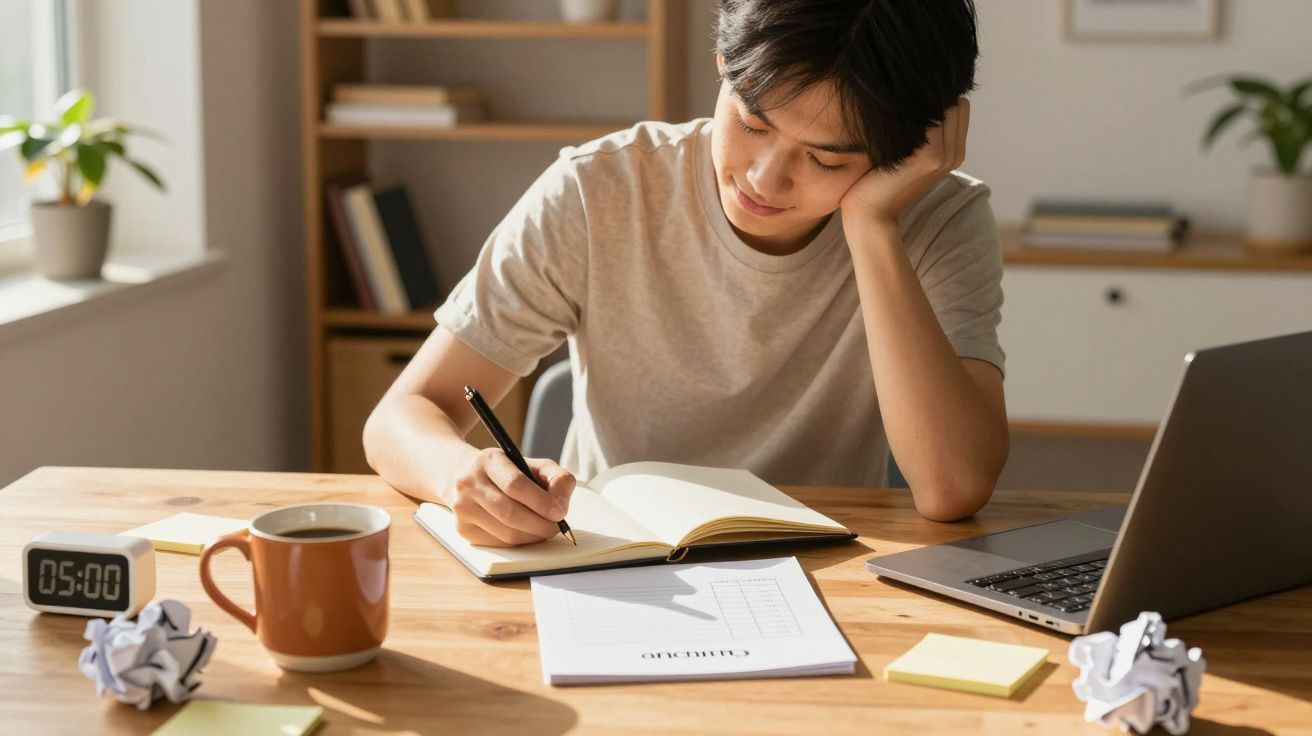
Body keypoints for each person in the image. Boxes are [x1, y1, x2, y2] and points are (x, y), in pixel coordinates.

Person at [363, 0, 1008, 547]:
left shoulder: (937, 220)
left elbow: (952, 487)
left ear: (912, 147)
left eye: (827, 161)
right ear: (724, 62)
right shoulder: (600, 190)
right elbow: (403, 413)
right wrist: (461, 475)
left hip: (828, 567)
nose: (764, 179)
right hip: (610, 558)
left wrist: (871, 226)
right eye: (752, 124)